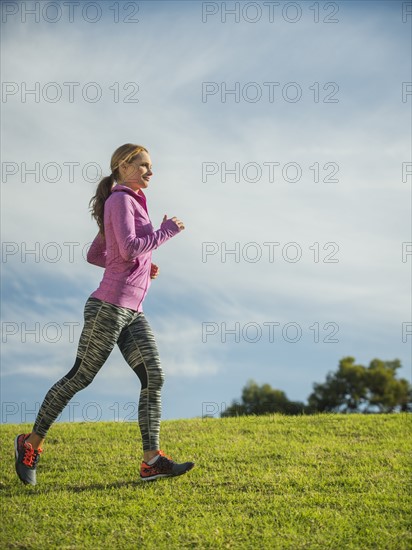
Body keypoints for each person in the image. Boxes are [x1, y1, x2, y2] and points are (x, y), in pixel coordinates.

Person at [14, 143, 195, 485]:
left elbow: (99, 253)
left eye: (150, 166)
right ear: (124, 166)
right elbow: (126, 249)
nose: (150, 172)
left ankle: (151, 461)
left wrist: (144, 263)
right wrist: (165, 231)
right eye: (144, 165)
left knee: (153, 376)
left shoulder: (129, 202)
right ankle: (30, 444)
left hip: (133, 312)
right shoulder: (120, 201)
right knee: (81, 376)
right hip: (108, 307)